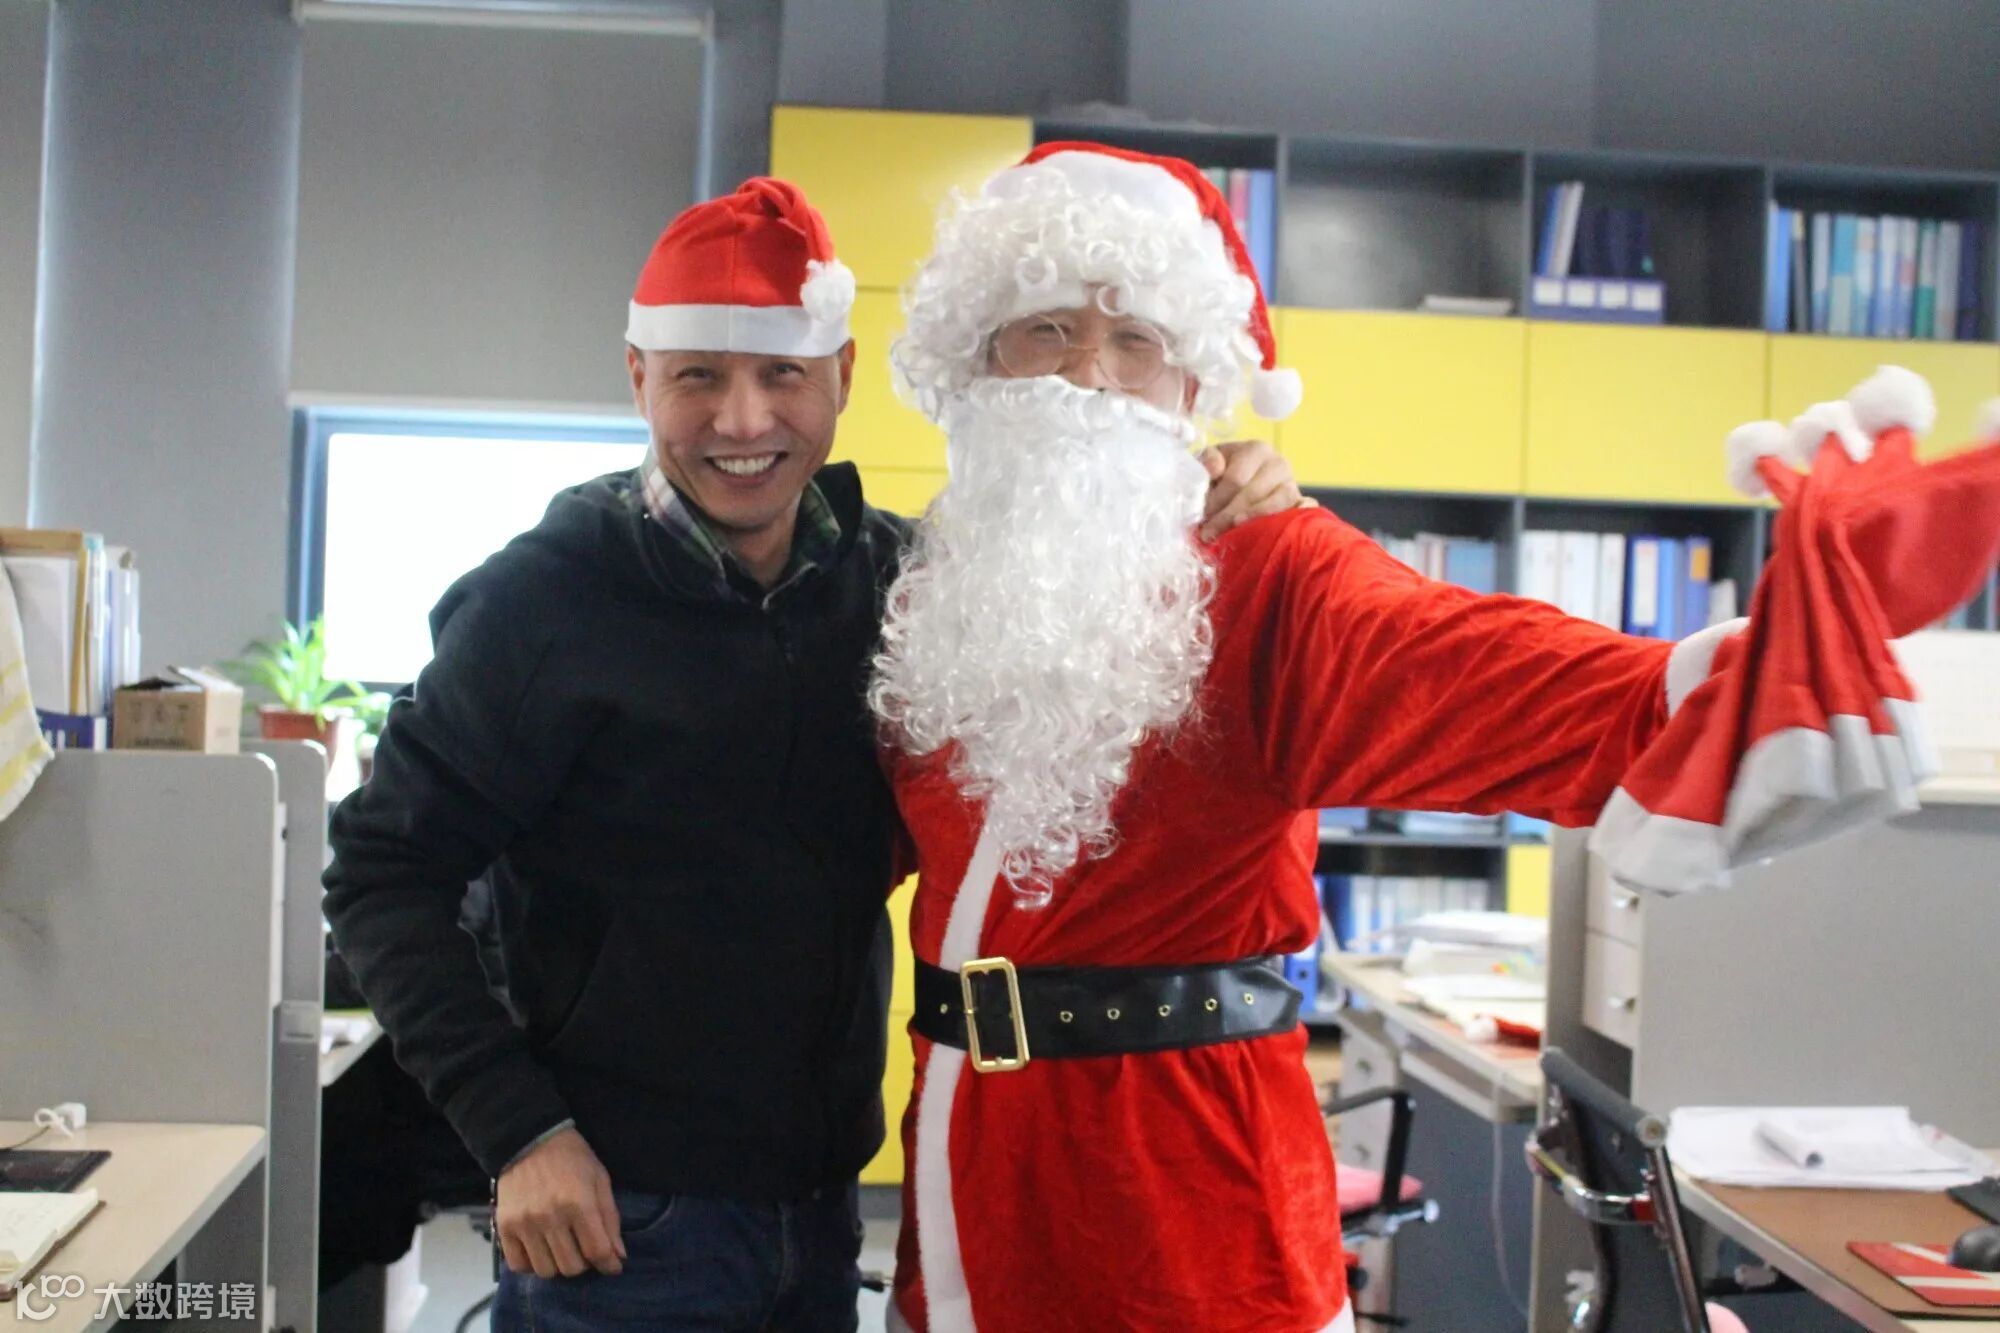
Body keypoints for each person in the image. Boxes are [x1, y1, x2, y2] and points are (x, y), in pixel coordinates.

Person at [864, 141, 2000, 1332]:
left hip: (1187, 1221)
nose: (1088, 374)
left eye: (1135, 338)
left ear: (1191, 386)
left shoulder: (1273, 575)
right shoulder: (923, 598)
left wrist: (1780, 654)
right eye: (1044, 328)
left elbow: (1496, 678)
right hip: (965, 1206)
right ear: (979, 358)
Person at [320, 175, 1306, 1332]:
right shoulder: (541, 604)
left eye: (780, 375)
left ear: (839, 377)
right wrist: (519, 1132)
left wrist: (1240, 492)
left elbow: (1079, 576)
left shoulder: (904, 589)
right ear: (638, 377)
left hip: (825, 1206)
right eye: (698, 376)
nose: (743, 422)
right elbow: (382, 874)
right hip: (615, 1216)